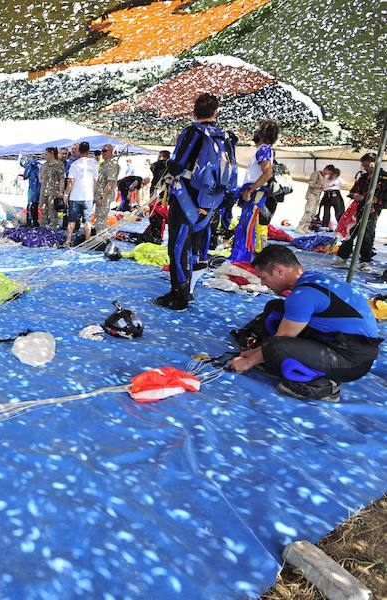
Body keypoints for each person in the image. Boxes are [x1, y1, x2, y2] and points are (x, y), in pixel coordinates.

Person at [227, 245, 381, 402]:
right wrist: (253, 353)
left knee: (275, 348)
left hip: (352, 360)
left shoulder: (302, 295)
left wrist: (248, 361)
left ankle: (323, 386)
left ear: (279, 270)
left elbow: (281, 338)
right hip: (343, 342)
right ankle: (303, 364)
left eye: (264, 277)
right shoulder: (312, 278)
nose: (263, 283)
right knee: (275, 308)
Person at [154, 93, 237, 311]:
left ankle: (178, 296)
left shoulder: (193, 131)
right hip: (211, 200)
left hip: (187, 197)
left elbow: (177, 163)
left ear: (194, 111)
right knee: (198, 246)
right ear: (216, 112)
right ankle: (189, 290)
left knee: (179, 246)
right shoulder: (225, 136)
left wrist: (167, 171)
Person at [229, 120, 280, 264]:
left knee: (246, 226)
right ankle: (238, 257)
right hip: (253, 192)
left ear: (263, 134)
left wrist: (251, 190)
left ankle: (241, 259)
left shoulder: (264, 149)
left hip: (255, 193)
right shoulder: (263, 150)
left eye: (259, 129)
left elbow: (267, 173)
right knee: (244, 226)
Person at [334, 153, 386, 272]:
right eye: (363, 165)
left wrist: (370, 200)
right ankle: (343, 258)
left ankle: (365, 261)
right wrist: (355, 196)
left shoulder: (384, 178)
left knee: (367, 235)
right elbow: (352, 191)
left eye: (366, 165)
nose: (364, 168)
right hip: (357, 209)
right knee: (350, 232)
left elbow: (384, 198)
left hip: (372, 211)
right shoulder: (362, 177)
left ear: (374, 163)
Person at [63, 141, 98, 246]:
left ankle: (68, 240)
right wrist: (93, 194)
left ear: (79, 150)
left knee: (72, 220)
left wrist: (66, 194)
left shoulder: (75, 164)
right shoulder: (94, 163)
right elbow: (96, 181)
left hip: (75, 196)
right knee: (87, 221)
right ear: (88, 151)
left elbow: (71, 181)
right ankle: (88, 241)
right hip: (88, 196)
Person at [296, 165, 333, 233]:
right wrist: (322, 186)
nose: (328, 174)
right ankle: (299, 227)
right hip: (311, 195)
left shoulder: (324, 176)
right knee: (309, 211)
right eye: (329, 172)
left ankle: (306, 227)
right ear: (326, 169)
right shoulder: (316, 173)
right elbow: (311, 184)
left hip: (317, 196)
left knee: (313, 213)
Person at [94, 144, 119, 234]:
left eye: (105, 151)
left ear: (111, 152)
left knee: (101, 219)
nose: (102, 153)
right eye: (102, 151)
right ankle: (99, 236)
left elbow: (110, 183)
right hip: (99, 193)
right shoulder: (104, 163)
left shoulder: (112, 164)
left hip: (105, 195)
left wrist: (102, 197)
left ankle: (100, 239)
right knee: (98, 218)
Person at [38, 147, 65, 228]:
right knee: (43, 210)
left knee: (52, 212)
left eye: (46, 154)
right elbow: (40, 177)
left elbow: (62, 179)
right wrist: (41, 180)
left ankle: (54, 230)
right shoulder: (44, 165)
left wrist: (60, 191)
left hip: (53, 192)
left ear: (52, 153)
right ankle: (42, 228)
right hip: (43, 191)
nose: (44, 155)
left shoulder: (59, 164)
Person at [20, 155, 42, 227]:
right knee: (36, 205)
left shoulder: (30, 165)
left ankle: (29, 222)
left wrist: (25, 172)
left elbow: (25, 176)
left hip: (33, 188)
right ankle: (35, 222)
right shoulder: (38, 164)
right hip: (40, 187)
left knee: (30, 205)